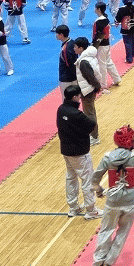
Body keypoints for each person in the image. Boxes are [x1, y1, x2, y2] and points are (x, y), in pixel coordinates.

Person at [92, 125, 134, 266]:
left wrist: (99, 190)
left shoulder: (107, 158)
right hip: (129, 201)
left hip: (112, 201)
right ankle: (109, 262)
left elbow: (95, 179)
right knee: (123, 232)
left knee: (105, 230)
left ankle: (98, 261)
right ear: (130, 142)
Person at [57, 84, 102, 220]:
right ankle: (91, 210)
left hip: (66, 151)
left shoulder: (61, 109)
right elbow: (91, 125)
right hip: (80, 152)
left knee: (71, 178)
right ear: (75, 97)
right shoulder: (77, 114)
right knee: (87, 180)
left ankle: (73, 207)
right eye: (79, 96)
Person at [73, 36, 102, 145]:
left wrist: (97, 87)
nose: (74, 49)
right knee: (91, 112)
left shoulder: (83, 61)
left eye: (75, 47)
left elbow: (90, 77)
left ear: (81, 48)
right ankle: (93, 134)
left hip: (88, 91)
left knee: (89, 114)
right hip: (90, 89)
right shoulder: (90, 56)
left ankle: (94, 136)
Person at [92, 2, 122, 90]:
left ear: (99, 9)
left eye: (95, 8)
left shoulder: (99, 21)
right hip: (107, 44)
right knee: (108, 62)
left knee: (102, 65)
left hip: (101, 45)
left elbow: (96, 34)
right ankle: (116, 79)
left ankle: (103, 84)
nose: (94, 9)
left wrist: (94, 44)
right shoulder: (105, 19)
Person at [56, 25, 78, 96]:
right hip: (73, 76)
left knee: (66, 98)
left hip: (67, 78)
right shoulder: (73, 42)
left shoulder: (65, 49)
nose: (56, 35)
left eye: (57, 34)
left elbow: (69, 64)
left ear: (61, 35)